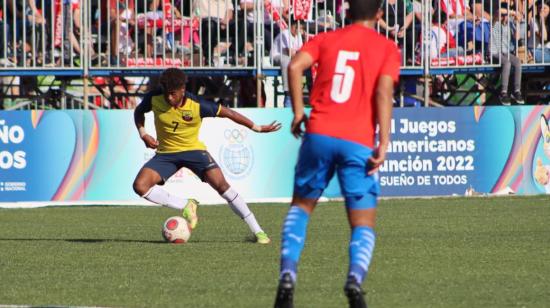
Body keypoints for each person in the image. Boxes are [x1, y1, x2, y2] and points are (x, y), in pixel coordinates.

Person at [273, 0, 400, 307]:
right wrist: (383, 141)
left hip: (318, 133)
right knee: (362, 223)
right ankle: (354, 280)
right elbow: (384, 92)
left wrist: (299, 112)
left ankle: (288, 274)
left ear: (346, 11)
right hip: (357, 140)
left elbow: (294, 66)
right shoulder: (387, 48)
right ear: (379, 14)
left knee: (301, 207)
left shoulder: (326, 39)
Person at [133, 68, 281, 244]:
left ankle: (259, 232)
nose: (169, 98)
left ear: (182, 89)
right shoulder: (155, 97)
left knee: (223, 187)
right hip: (166, 154)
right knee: (140, 186)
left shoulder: (197, 105)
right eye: (166, 94)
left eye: (173, 94)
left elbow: (229, 113)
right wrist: (143, 134)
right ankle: (186, 205)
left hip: (194, 152)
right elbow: (138, 112)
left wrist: (256, 127)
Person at [490, 9, 525, 105]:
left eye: (506, 15)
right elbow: (497, 13)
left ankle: (517, 91)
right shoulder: (495, 23)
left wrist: (517, 22)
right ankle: (503, 92)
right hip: (494, 52)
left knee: (517, 62)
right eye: (503, 15)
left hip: (506, 52)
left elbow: (517, 37)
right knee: (507, 63)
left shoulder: (509, 24)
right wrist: (512, 12)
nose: (504, 17)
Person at [271, 19, 304, 107]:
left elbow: (299, 52)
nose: (299, 30)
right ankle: (288, 92)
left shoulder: (298, 36)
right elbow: (290, 52)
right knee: (287, 61)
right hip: (277, 57)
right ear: (292, 27)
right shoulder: (285, 34)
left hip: (291, 58)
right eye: (298, 27)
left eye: (300, 27)